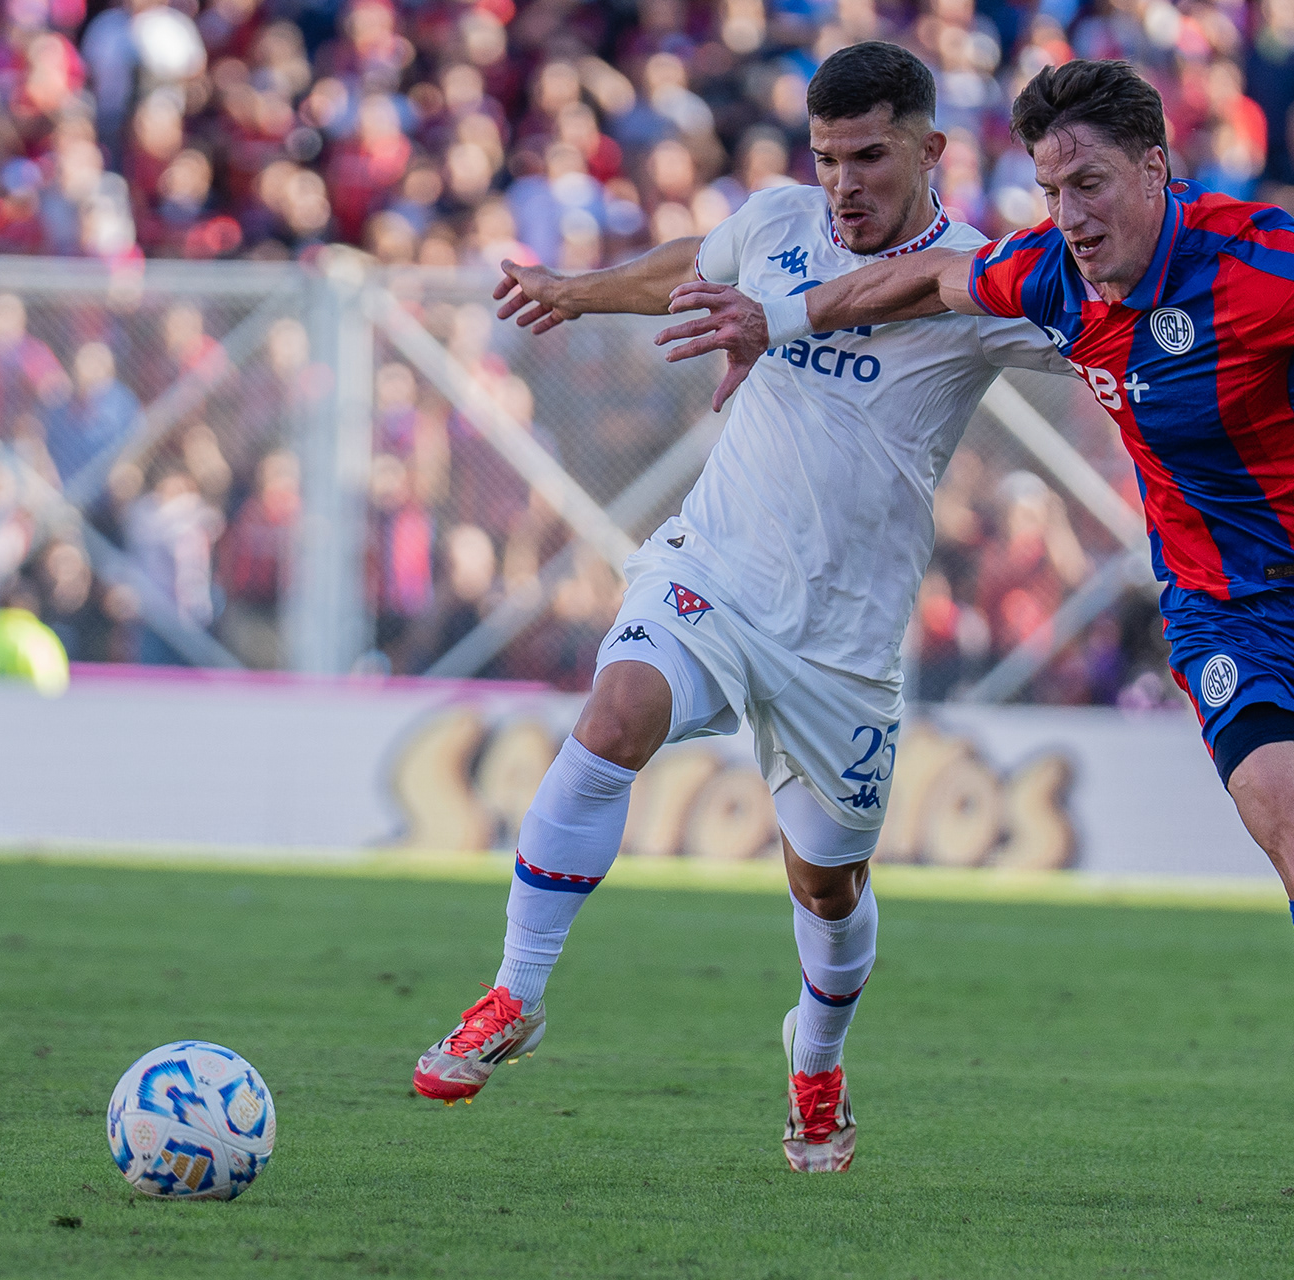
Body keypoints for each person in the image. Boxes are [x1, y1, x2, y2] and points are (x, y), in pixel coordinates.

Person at [659, 58, 1294, 1217]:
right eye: (1052, 186)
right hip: (1230, 618)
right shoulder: (1054, 274)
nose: (1070, 213)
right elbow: (922, 284)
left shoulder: (1254, 258)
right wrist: (778, 315)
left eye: (1092, 183)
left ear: (1157, 167)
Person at [409, 41, 1068, 1174]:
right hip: (711, 571)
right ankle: (514, 993)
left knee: (828, 882)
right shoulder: (777, 221)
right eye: (826, 159)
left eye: (870, 156)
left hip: (844, 646)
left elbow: (1104, 336)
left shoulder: (981, 279)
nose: (844, 183)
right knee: (615, 714)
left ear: (931, 150)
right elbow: (695, 265)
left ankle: (816, 1057)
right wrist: (576, 292)